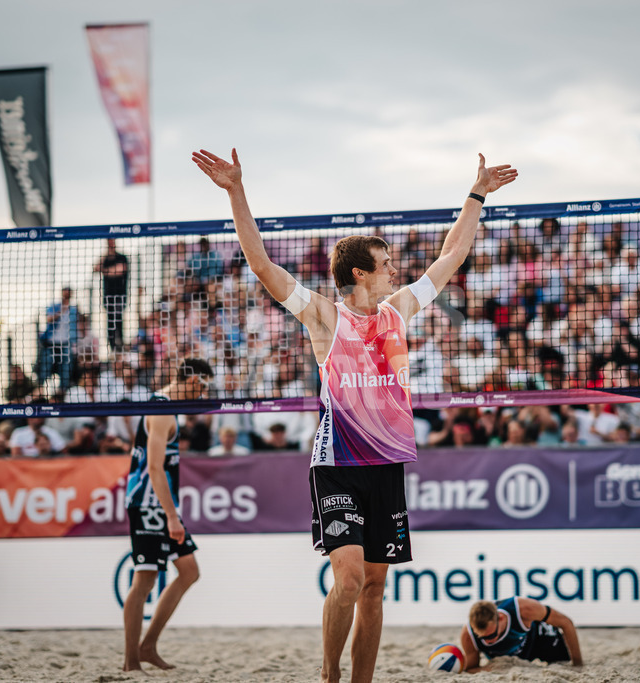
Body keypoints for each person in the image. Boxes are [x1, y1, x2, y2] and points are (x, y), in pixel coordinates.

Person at [193, 146, 517, 683]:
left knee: (374, 586)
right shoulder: (324, 316)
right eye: (388, 263)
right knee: (346, 581)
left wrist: (477, 194)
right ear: (363, 272)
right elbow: (261, 266)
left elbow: (452, 255)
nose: (397, 270)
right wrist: (236, 191)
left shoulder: (397, 311)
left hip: (384, 462)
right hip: (337, 460)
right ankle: (329, 673)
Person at [123, 357, 214, 672]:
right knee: (145, 579)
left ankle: (147, 647)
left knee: (189, 571)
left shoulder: (167, 409)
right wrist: (172, 516)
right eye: (203, 388)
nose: (203, 396)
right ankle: (131, 661)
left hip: (160, 503)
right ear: (192, 381)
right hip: (148, 503)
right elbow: (153, 468)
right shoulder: (161, 410)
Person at [459, 597, 583, 672]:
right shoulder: (468, 635)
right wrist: (486, 669)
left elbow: (566, 623)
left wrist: (578, 664)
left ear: (501, 618)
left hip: (537, 639)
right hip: (509, 658)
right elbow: (471, 669)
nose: (488, 642)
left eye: (491, 636)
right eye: (482, 638)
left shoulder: (523, 609)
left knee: (563, 664)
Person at [38, 287, 79, 391]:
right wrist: (61, 312)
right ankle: (41, 388)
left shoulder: (74, 310)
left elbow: (76, 325)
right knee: (46, 366)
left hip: (65, 343)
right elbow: (48, 319)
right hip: (51, 343)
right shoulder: (55, 306)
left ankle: (63, 389)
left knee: (66, 368)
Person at [95, 239, 130, 351]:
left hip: (119, 296)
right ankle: (112, 347)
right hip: (108, 297)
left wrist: (105, 271)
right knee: (110, 321)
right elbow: (96, 268)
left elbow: (120, 270)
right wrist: (106, 255)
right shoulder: (105, 258)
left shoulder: (122, 257)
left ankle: (119, 344)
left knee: (118, 320)